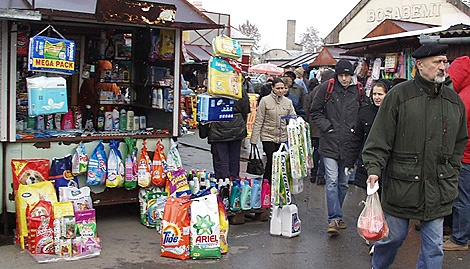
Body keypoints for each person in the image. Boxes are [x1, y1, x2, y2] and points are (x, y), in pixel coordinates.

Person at [362, 44, 468, 268]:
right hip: (403, 184)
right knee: (394, 238)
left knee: (434, 248)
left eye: (444, 62)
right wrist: (373, 170)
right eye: (436, 62)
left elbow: (460, 141)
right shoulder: (399, 96)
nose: (442, 67)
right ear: (419, 65)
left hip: (439, 185)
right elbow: (379, 139)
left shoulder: (453, 101)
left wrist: (454, 168)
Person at [310, 60, 366, 234]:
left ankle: (338, 216)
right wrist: (327, 127)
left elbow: (364, 112)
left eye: (347, 75)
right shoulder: (327, 88)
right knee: (332, 181)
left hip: (349, 144)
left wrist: (358, 131)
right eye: (341, 75)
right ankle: (333, 219)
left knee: (343, 183)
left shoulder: (359, 90)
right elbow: (314, 111)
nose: (344, 79)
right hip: (330, 142)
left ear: (352, 75)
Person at [443, 55, 470, 251]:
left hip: (465, 156)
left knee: (462, 198)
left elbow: (455, 128)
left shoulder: (464, 98)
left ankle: (460, 239)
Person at [199, 84, 250, 179]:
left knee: (220, 160)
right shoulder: (239, 89)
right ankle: (234, 184)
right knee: (234, 160)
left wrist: (204, 131)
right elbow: (245, 109)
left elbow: (204, 112)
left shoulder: (213, 88)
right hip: (236, 128)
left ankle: (223, 185)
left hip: (218, 129)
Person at [250, 78, 296, 182]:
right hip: (268, 136)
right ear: (273, 88)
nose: (280, 90)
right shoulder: (265, 100)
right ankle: (267, 183)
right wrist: (254, 139)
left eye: (282, 88)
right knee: (272, 160)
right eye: (278, 88)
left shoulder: (288, 102)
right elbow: (259, 120)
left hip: (282, 136)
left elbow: (293, 118)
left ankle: (274, 184)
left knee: (279, 162)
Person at [353, 79, 391, 189]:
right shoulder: (365, 112)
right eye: (374, 94)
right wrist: (350, 161)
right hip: (367, 161)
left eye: (380, 94)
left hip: (387, 163)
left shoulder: (394, 113)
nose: (377, 97)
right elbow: (357, 138)